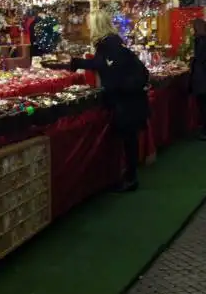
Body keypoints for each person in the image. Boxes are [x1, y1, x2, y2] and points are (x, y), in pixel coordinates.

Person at [48, 11, 149, 191]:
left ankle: (131, 178)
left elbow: (106, 67)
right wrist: (71, 63)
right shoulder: (111, 44)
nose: (87, 27)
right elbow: (98, 64)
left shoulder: (109, 46)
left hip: (125, 100)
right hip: (128, 99)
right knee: (128, 139)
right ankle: (128, 176)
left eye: (89, 24)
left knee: (128, 139)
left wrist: (112, 87)